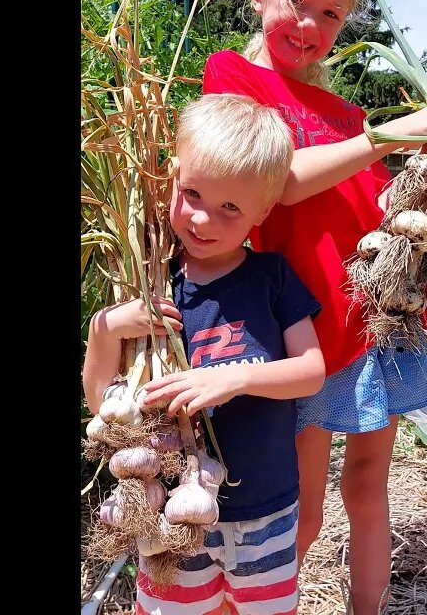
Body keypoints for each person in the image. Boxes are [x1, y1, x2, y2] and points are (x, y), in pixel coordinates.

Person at [199, 0, 427, 615]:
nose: (310, 24)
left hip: (371, 317)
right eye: (297, 0)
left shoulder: (343, 110)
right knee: (296, 507)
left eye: (331, 13)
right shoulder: (230, 78)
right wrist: (391, 133)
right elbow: (278, 180)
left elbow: (364, 204)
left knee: (366, 486)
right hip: (297, 331)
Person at [82, 93, 328, 615]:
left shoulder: (272, 279)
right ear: (173, 179)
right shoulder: (153, 287)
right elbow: (102, 402)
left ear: (263, 210)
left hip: (265, 511)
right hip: (171, 511)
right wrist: (105, 330)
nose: (201, 220)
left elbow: (311, 372)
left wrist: (231, 378)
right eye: (191, 193)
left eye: (230, 208)